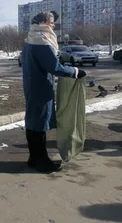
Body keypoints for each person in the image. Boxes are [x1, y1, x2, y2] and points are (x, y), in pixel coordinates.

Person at [22, 11, 86, 173]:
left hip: (32, 85)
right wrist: (75, 72)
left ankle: (34, 158)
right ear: (43, 22)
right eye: (51, 22)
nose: (53, 25)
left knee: (32, 122)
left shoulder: (30, 38)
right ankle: (42, 161)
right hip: (41, 88)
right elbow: (54, 67)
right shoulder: (41, 41)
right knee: (39, 124)